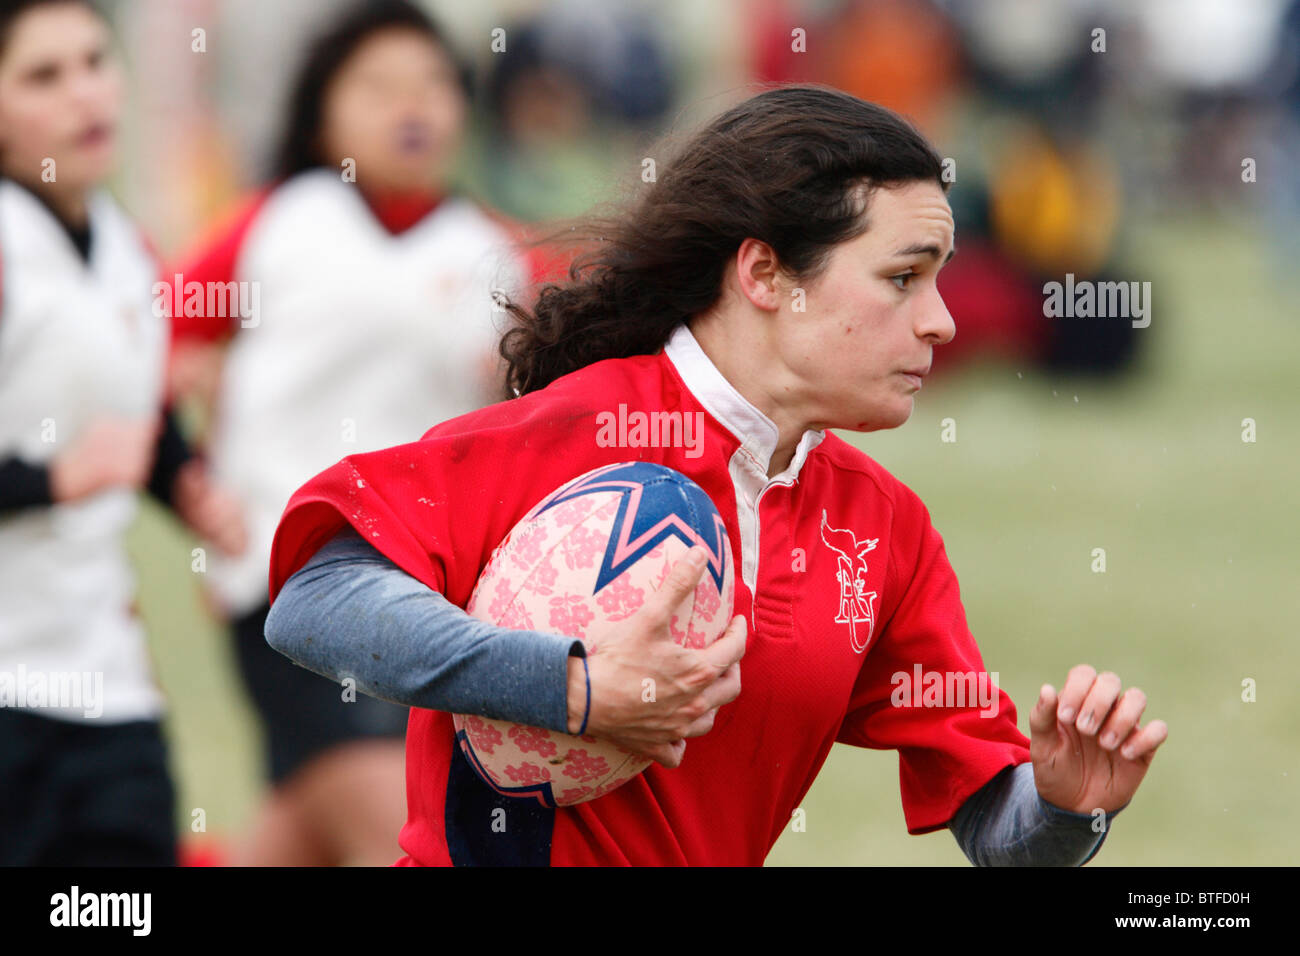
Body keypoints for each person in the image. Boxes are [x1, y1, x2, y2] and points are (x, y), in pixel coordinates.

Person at [262, 85, 1168, 866]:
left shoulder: (885, 529)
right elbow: (318, 600)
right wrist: (571, 687)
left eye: (940, 281)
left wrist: (1065, 804)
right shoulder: (578, 429)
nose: (943, 323)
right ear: (766, 274)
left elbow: (996, 825)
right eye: (903, 278)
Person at [166, 0, 528, 865]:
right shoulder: (279, 223)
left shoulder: (495, 254)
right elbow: (153, 339)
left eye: (433, 85)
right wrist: (185, 473)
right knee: (400, 823)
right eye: (378, 86)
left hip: (426, 596)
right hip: (285, 579)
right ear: (321, 112)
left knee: (305, 830)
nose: (412, 107)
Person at [0, 0, 243, 866]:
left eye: (96, 60)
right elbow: (75, 459)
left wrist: (192, 492)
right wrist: (46, 478)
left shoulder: (125, 247)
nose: (86, 92)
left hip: (108, 694)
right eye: (43, 75)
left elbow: (136, 425)